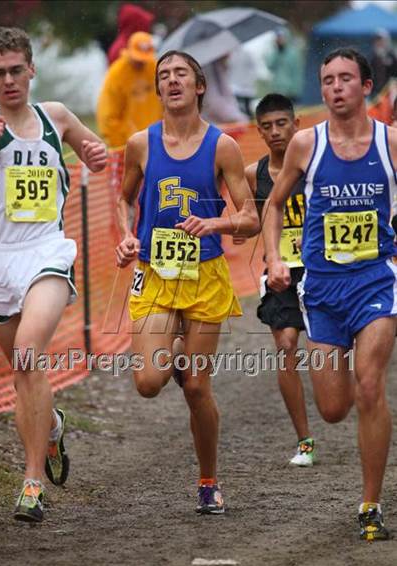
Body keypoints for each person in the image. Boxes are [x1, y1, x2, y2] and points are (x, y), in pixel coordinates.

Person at [115, 50, 260, 514]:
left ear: (199, 87)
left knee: (197, 389)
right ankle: (174, 354)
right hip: (155, 273)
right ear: (159, 90)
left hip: (205, 276)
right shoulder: (141, 143)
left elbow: (250, 218)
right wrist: (124, 237)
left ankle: (208, 481)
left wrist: (212, 224)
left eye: (181, 74)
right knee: (148, 382)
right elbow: (123, 200)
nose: (171, 81)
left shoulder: (222, 147)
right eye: (164, 76)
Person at [264, 47, 396, 541]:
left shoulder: (390, 143)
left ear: (366, 86)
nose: (335, 87)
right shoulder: (304, 144)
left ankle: (370, 503)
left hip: (376, 283)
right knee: (334, 407)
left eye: (345, 79)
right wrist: (276, 259)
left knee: (369, 387)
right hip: (321, 289)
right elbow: (273, 207)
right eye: (327, 80)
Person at [0, 26, 107, 523]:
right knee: (23, 373)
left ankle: (31, 484)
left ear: (32, 69)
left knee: (30, 356)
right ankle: (51, 427)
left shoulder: (55, 116)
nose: (10, 80)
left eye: (17, 70)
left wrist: (94, 152)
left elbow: (96, 152)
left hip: (48, 252)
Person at [244, 93, 315, 466]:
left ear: (296, 123)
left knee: (328, 351)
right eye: (267, 127)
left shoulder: (317, 165)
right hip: (279, 268)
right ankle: (304, 439)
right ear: (259, 131)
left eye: (281, 124)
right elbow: (250, 218)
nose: (275, 132)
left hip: (322, 268)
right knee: (286, 345)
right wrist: (239, 230)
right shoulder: (252, 174)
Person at [96, 31, 162, 149]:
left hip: (156, 139)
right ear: (129, 50)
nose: (141, 62)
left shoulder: (155, 68)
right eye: (138, 58)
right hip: (127, 144)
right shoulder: (116, 74)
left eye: (144, 58)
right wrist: (120, 143)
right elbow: (108, 115)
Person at [266, 29, 304, 103]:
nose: (280, 40)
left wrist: (295, 89)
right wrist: (277, 51)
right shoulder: (274, 52)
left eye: (281, 37)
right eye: (278, 37)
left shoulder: (293, 53)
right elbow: (270, 66)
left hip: (291, 91)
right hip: (277, 89)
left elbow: (296, 72)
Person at [371, 29, 397, 97]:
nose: (379, 42)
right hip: (375, 92)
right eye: (377, 40)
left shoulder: (392, 56)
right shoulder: (372, 57)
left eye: (380, 40)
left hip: (389, 91)